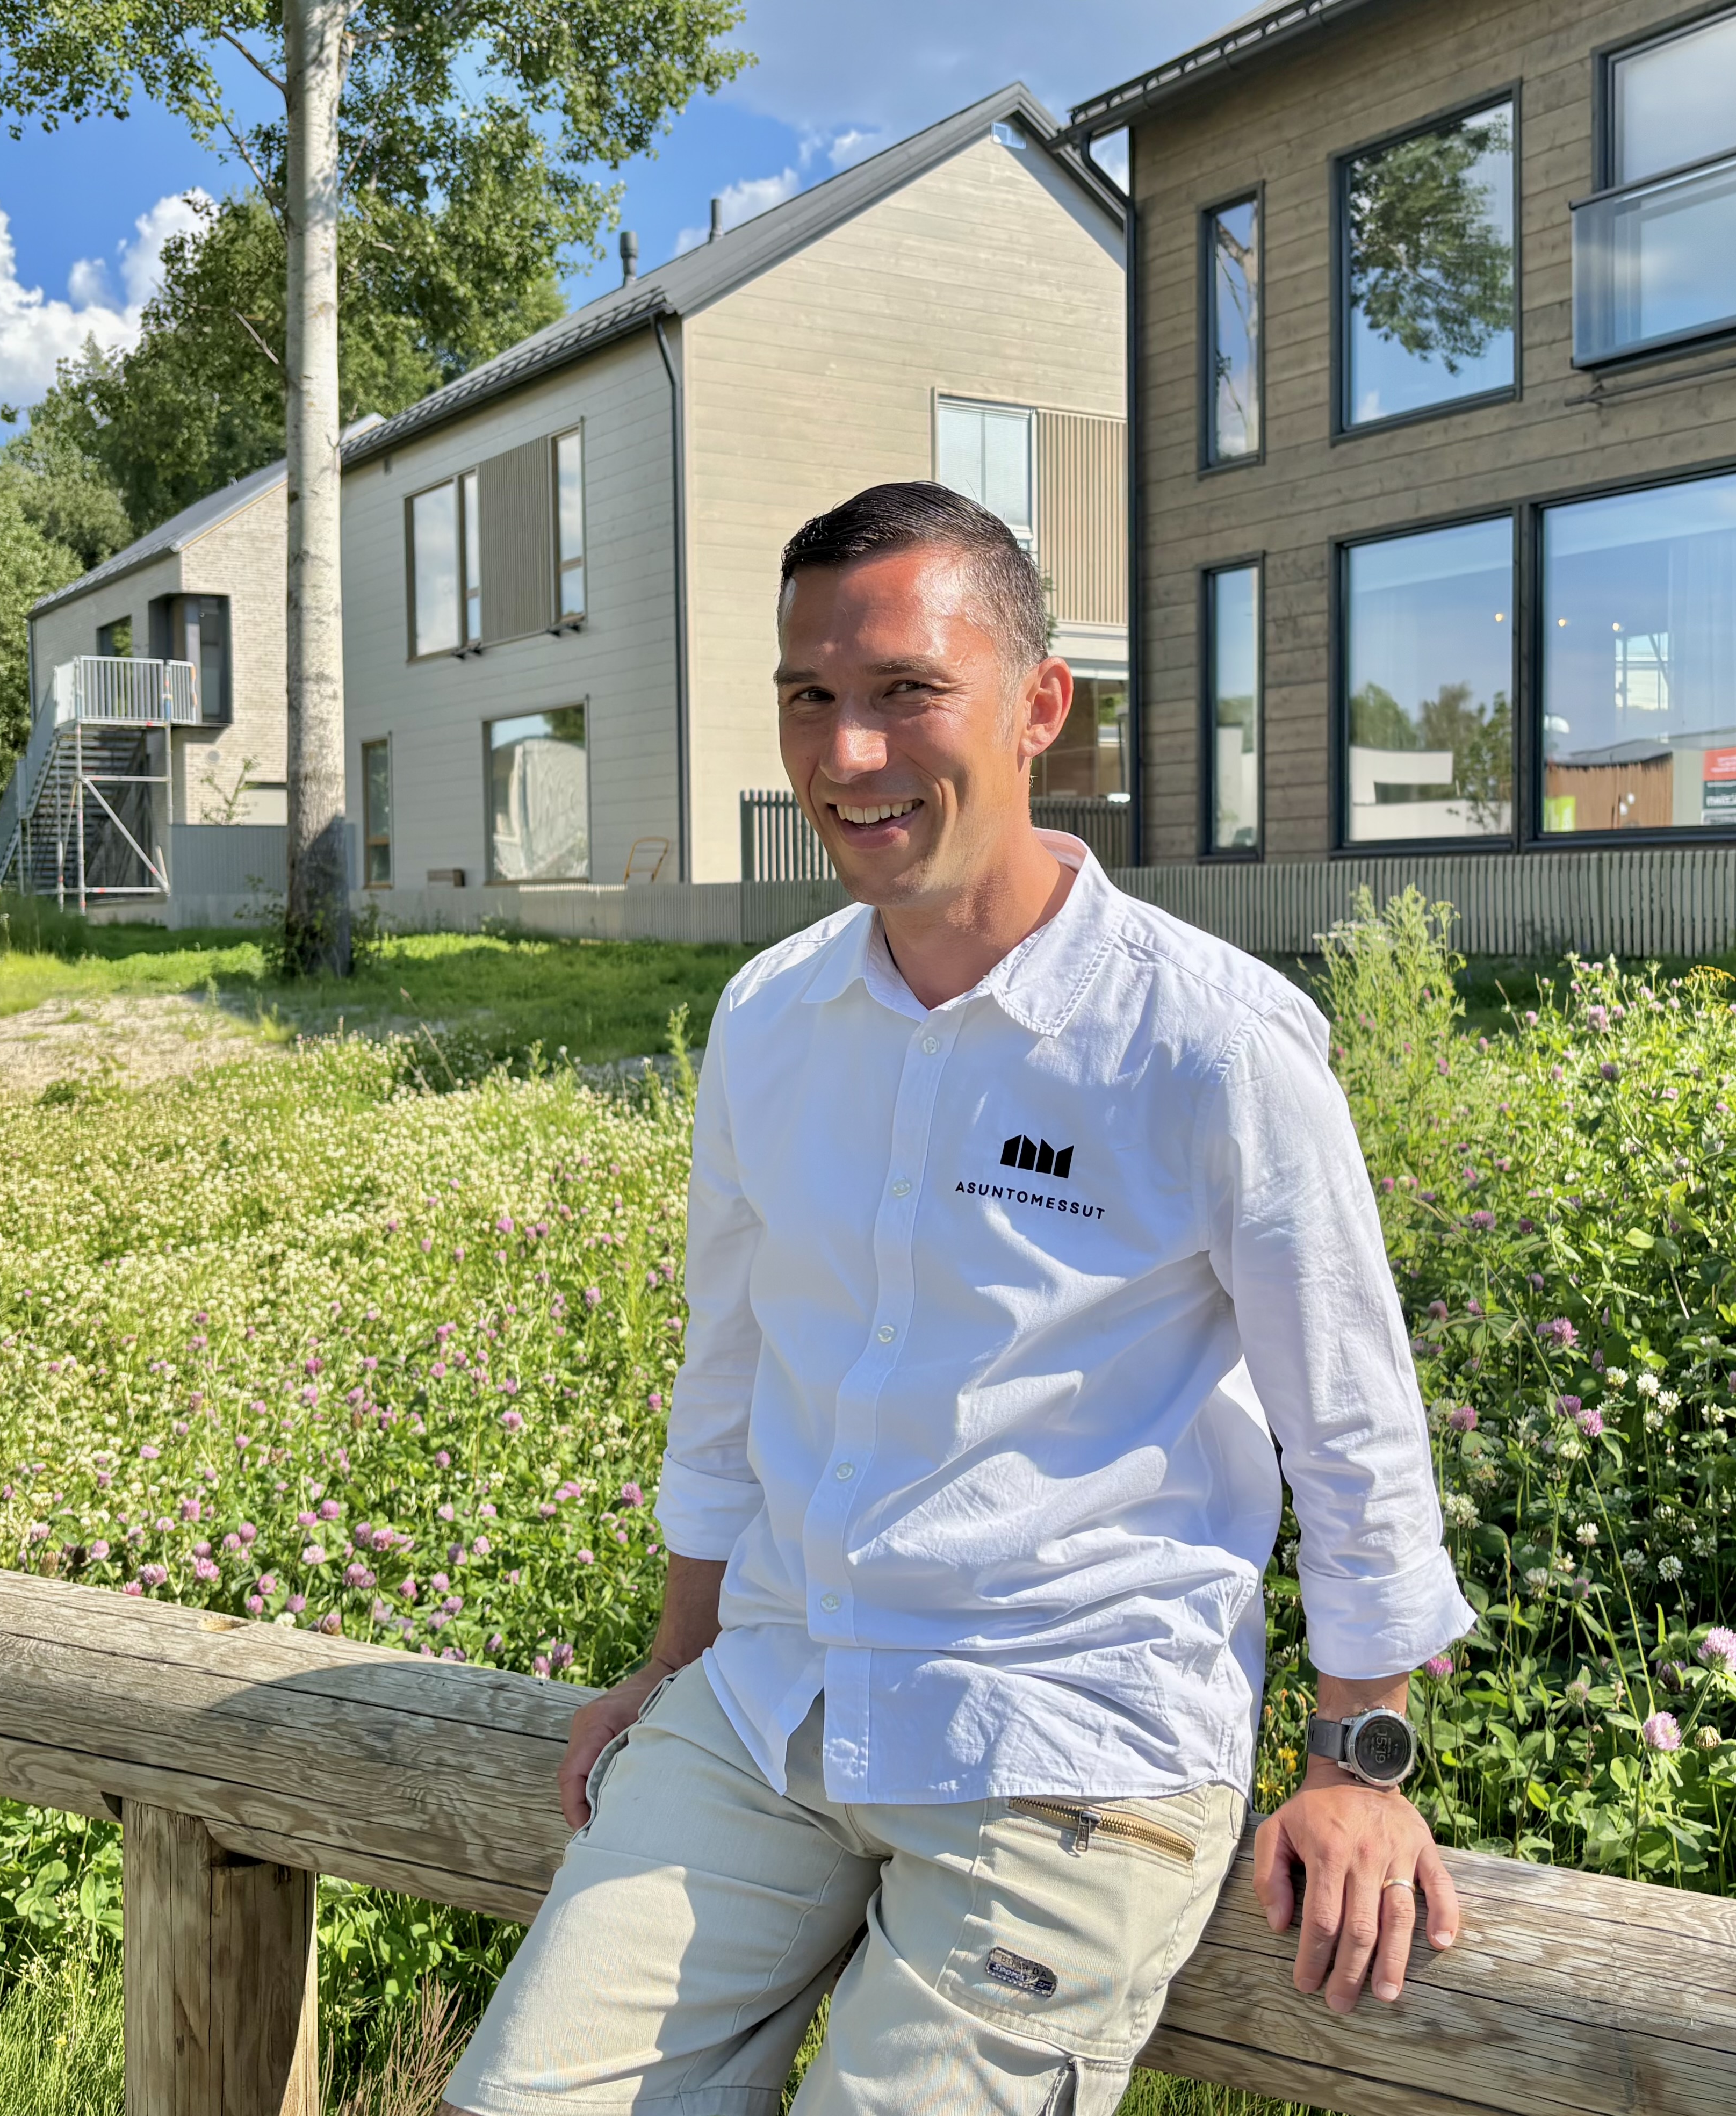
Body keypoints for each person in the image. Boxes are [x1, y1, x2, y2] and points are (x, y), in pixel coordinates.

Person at [440, 482, 1474, 2116]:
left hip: (1068, 1740)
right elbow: (731, 1376)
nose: (849, 753)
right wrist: (675, 1662)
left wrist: (1360, 1759)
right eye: (810, 697)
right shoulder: (769, 1018)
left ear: (1038, 704)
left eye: (906, 691)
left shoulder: (1207, 1040)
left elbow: (1350, 1420)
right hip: (774, 1703)